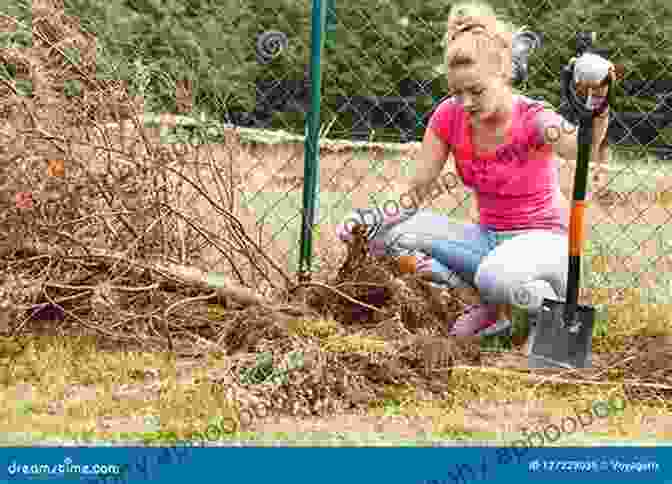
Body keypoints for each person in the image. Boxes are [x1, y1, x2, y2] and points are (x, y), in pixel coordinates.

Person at [337, 0, 613, 337]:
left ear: (503, 73)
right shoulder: (448, 116)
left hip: (545, 244)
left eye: (477, 91)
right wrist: (371, 219)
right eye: (457, 92)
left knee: (497, 276)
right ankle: (480, 303)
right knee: (387, 237)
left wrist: (597, 100)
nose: (466, 102)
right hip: (487, 241)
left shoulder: (533, 118)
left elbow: (583, 146)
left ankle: (542, 310)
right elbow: (414, 193)